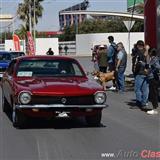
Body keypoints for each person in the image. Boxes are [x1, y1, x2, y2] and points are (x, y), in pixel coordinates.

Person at [133, 40, 150, 109]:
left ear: (138, 46)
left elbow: (142, 58)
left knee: (137, 89)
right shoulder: (147, 53)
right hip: (146, 73)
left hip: (139, 73)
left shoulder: (139, 52)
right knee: (145, 89)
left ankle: (139, 102)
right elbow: (148, 62)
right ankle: (144, 102)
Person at [147, 48, 160, 114]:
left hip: (153, 78)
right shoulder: (154, 58)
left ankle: (154, 109)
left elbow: (157, 67)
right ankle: (155, 107)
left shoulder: (154, 59)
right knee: (154, 93)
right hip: (153, 78)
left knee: (153, 94)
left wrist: (153, 71)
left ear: (150, 53)